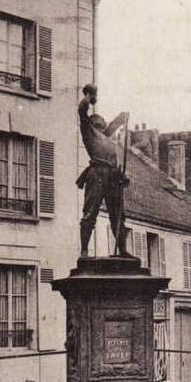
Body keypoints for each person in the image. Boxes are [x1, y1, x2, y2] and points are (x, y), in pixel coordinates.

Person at [76, 84, 129, 257]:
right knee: (90, 212)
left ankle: (122, 250)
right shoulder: (88, 133)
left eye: (102, 124)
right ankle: (84, 250)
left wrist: (121, 118)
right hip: (96, 173)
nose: (100, 126)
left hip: (112, 177)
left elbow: (112, 127)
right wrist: (89, 97)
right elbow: (82, 112)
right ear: (92, 124)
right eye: (97, 123)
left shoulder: (107, 141)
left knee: (118, 214)